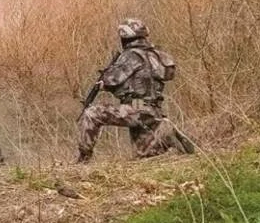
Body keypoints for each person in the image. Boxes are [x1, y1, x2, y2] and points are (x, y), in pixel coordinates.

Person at [76, 18, 195, 163]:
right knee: (144, 155)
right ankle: (164, 131)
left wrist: (103, 83)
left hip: (136, 108)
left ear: (125, 37)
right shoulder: (156, 55)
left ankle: (83, 159)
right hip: (153, 111)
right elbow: (165, 75)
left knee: (92, 114)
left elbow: (112, 80)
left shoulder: (131, 55)